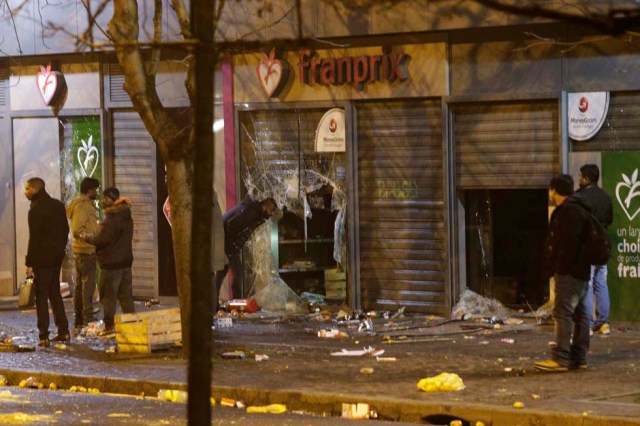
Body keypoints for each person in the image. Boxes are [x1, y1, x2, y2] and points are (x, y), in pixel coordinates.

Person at [535, 174, 591, 372]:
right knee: (582, 314)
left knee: (563, 313)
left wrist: (560, 267)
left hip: (570, 271)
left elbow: (568, 245)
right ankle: (579, 357)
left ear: (553, 190)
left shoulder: (567, 211)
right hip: (582, 270)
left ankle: (560, 358)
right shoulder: (581, 207)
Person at [81, 187, 135, 335]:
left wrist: (87, 237)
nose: (102, 201)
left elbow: (101, 239)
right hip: (125, 263)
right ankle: (133, 325)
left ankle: (109, 326)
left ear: (112, 200)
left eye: (105, 198)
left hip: (111, 265)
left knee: (108, 297)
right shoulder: (126, 216)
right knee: (126, 297)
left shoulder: (111, 219)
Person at [24, 177, 70, 347]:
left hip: (42, 260)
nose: (25, 192)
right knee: (55, 294)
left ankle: (43, 334)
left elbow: (34, 239)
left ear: (36, 189)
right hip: (56, 258)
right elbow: (65, 230)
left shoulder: (35, 210)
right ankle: (63, 331)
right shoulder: (57, 205)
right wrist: (60, 251)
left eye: (27, 188)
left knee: (41, 297)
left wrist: (30, 263)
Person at [212, 196, 277, 312]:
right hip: (225, 241)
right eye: (271, 210)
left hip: (226, 242)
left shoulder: (255, 213)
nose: (271, 214)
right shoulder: (251, 212)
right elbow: (232, 226)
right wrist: (232, 248)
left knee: (223, 274)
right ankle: (236, 305)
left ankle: (216, 304)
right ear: (265, 206)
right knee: (236, 274)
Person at [574, 164, 613, 335]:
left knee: (587, 285)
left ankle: (588, 324)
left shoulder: (580, 196)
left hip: (587, 246)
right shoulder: (605, 197)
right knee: (601, 283)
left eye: (581, 176)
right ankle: (603, 323)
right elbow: (609, 219)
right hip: (603, 244)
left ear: (587, 178)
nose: (579, 179)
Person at [66, 177, 100, 332]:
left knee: (81, 286)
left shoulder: (81, 205)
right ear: (90, 190)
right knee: (87, 286)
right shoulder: (83, 206)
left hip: (81, 251)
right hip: (85, 251)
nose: (97, 192)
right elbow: (78, 229)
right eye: (96, 189)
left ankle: (80, 318)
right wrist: (91, 237)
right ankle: (86, 318)